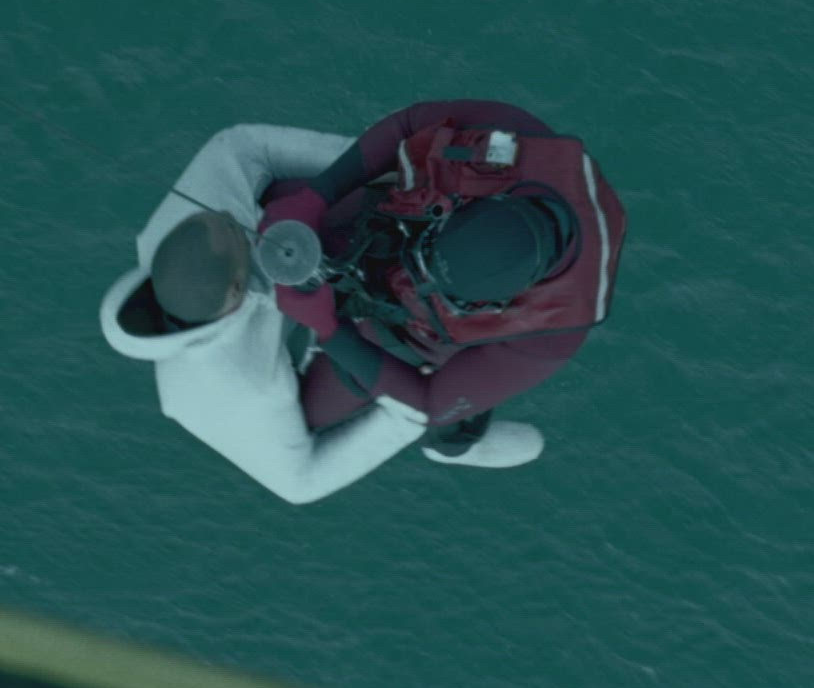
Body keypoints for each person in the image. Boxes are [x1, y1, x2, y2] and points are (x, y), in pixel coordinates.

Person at [99, 100, 626, 505]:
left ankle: (454, 440)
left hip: (403, 319)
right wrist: (319, 198)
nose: (412, 273)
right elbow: (409, 125)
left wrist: (334, 329)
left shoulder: (554, 332)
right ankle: (421, 265)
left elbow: (427, 400)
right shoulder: (229, 388)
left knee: (450, 379)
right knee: (304, 203)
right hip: (368, 232)